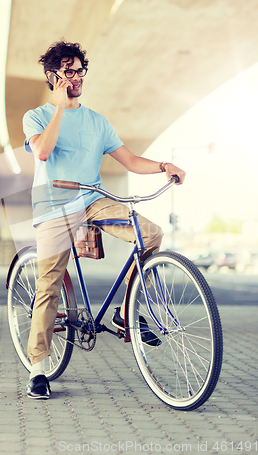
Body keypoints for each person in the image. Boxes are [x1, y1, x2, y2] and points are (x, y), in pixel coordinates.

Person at [23, 40, 185, 399]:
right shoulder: (36, 116)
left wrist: (162, 167)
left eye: (81, 70)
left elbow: (128, 160)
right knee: (48, 287)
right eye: (68, 71)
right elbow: (44, 151)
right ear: (53, 76)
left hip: (94, 199)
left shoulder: (98, 122)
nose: (76, 77)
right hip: (53, 204)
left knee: (151, 233)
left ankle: (125, 312)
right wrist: (61, 108)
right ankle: (38, 367)